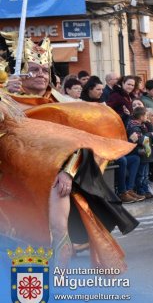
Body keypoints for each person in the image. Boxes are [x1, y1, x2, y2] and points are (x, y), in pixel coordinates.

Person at [1, 33, 137, 269]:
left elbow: (80, 139)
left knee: (57, 216)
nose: (41, 75)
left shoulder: (62, 103)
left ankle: (59, 270)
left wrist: (68, 170)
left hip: (56, 174)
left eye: (44, 70)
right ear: (19, 73)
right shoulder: (7, 98)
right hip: (14, 179)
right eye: (33, 70)